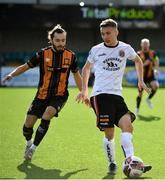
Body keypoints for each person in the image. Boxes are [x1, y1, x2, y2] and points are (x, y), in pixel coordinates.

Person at [76, 19, 152, 175]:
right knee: (110, 134)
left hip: (117, 95)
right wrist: (84, 90)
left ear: (116, 32)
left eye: (108, 33)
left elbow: (137, 61)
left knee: (128, 126)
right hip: (100, 95)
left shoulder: (125, 48)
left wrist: (141, 80)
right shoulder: (96, 50)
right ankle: (112, 162)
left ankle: (131, 162)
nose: (105, 36)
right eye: (102, 34)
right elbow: (86, 69)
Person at [3, 24, 88, 161]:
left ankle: (33, 149)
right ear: (51, 40)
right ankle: (29, 142)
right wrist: (11, 75)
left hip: (59, 96)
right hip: (41, 95)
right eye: (58, 40)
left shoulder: (71, 56)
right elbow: (25, 66)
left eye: (63, 40)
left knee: (47, 114)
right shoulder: (42, 54)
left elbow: (76, 75)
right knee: (27, 127)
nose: (61, 43)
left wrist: (83, 92)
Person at [135, 38, 159, 115]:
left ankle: (148, 99)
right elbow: (137, 65)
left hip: (150, 75)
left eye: (146, 44)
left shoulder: (152, 53)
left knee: (156, 85)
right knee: (140, 94)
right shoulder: (138, 54)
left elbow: (156, 60)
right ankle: (137, 109)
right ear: (141, 45)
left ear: (149, 45)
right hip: (141, 76)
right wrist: (145, 63)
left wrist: (156, 69)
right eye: (144, 44)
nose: (145, 45)